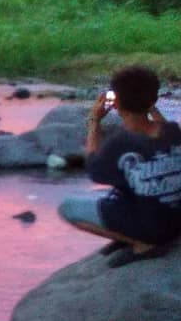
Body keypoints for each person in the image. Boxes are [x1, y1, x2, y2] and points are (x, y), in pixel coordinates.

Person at [58, 65, 181, 267]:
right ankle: (129, 236)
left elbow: (94, 169)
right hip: (175, 224)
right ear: (154, 99)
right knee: (122, 187)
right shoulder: (173, 131)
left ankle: (142, 244)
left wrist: (94, 121)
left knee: (67, 208)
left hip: (153, 230)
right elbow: (164, 128)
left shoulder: (121, 143)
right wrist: (150, 106)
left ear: (116, 103)